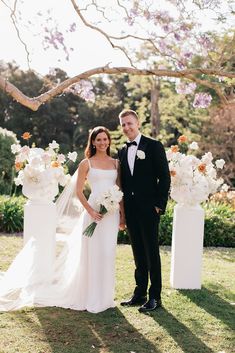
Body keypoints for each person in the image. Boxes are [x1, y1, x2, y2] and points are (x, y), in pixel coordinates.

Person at [0, 126, 123, 313]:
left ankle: (105, 297)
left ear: (109, 141)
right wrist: (90, 211)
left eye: (105, 139)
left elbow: (119, 190)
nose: (102, 142)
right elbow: (79, 191)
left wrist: (121, 215)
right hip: (93, 214)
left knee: (108, 253)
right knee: (93, 255)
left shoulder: (116, 163)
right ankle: (91, 296)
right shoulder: (86, 163)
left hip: (111, 215)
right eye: (98, 140)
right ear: (93, 142)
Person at [118, 109, 170, 313]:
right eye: (123, 124)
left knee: (151, 253)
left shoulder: (154, 146)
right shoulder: (122, 151)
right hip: (131, 210)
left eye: (129, 123)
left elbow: (164, 177)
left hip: (149, 210)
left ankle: (155, 297)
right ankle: (140, 293)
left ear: (137, 123)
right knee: (138, 253)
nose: (126, 127)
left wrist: (158, 205)